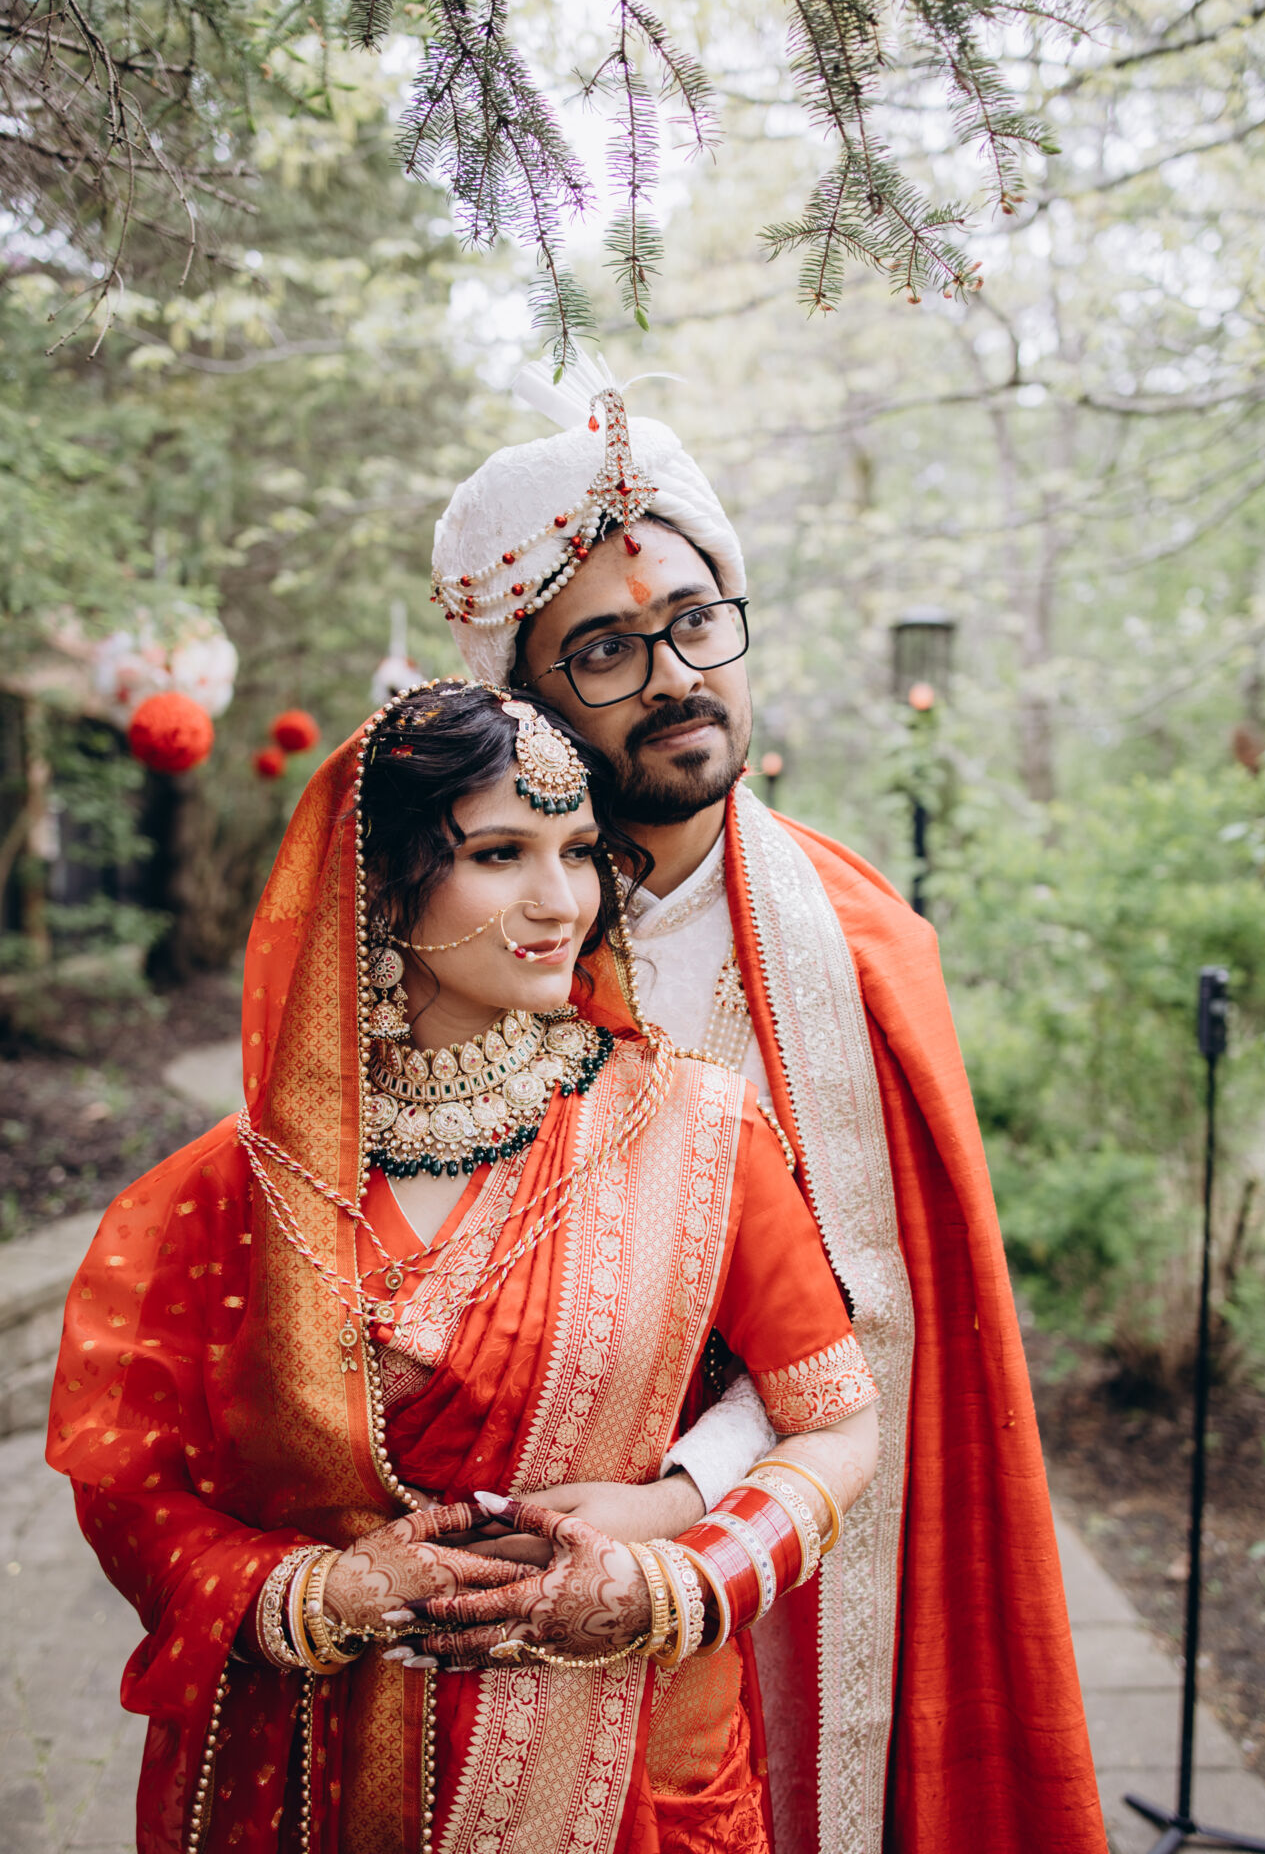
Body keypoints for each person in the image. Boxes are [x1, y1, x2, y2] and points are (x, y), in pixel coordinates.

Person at [426, 358, 1110, 1854]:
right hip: (487, 1577)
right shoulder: (454, 948)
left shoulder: (861, 947)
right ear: (522, 702)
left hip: (780, 1537)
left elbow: (875, 1322)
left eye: (694, 621)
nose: (673, 673)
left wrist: (682, 1500)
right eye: (604, 649)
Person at [47, 680, 881, 1854]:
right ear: (381, 884)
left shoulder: (697, 1134)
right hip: (311, 1777)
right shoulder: (236, 1188)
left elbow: (835, 1422)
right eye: (499, 854)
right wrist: (315, 1596)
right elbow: (128, 1483)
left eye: (579, 852)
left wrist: (674, 1581)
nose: (560, 901)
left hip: (628, 1772)